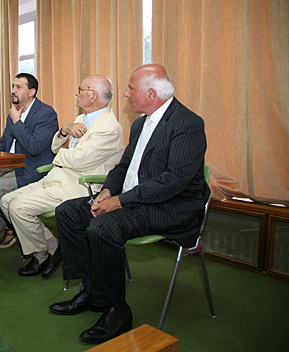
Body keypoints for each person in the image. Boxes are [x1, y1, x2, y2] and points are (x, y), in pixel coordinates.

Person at [49, 63, 210, 344]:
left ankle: (117, 309)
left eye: (131, 89)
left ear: (151, 94)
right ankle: (90, 289)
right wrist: (108, 190)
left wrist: (120, 201)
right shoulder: (140, 124)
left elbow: (174, 181)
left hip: (171, 206)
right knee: (68, 212)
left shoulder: (187, 123)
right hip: (136, 199)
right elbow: (123, 167)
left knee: (103, 227)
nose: (125, 94)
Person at [0, 75, 124, 278]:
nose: (77, 93)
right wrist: (63, 131)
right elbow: (54, 147)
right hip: (58, 177)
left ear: (93, 96)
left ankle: (40, 255)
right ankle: (52, 245)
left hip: (79, 186)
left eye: (81, 89)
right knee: (6, 201)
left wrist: (60, 155)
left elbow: (78, 160)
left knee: (18, 207)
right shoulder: (81, 119)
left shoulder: (109, 128)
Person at [0, 73, 59, 248]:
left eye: (18, 87)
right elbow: (4, 142)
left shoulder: (46, 113)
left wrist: (17, 121)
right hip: (9, 162)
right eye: (13, 86)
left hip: (30, 167)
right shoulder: (14, 112)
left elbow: (34, 147)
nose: (13, 91)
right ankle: (3, 223)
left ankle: (11, 226)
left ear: (31, 92)